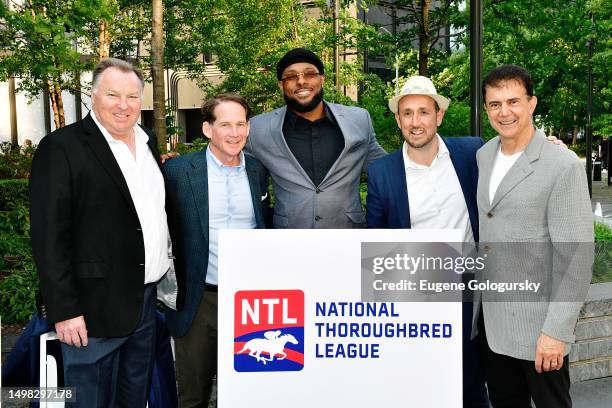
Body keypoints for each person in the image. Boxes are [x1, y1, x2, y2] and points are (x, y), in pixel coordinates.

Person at [29, 58, 184, 407]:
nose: (123, 105)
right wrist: (64, 310)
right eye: (113, 94)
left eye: (132, 97)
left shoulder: (148, 143)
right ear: (93, 95)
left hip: (145, 303)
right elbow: (48, 236)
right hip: (91, 310)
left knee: (134, 397)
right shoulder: (62, 148)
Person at [473, 64, 593, 407]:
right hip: (493, 329)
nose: (504, 111)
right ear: (486, 109)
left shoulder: (562, 164)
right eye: (495, 104)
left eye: (513, 101)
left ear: (532, 103)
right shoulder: (484, 155)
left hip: (540, 331)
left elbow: (577, 259)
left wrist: (557, 332)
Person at [366, 75, 489, 407]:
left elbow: (513, 159)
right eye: (407, 113)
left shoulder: (471, 152)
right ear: (398, 119)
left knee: (470, 383)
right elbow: (376, 238)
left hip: (468, 288)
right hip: (415, 294)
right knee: (419, 386)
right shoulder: (383, 172)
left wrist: (549, 146)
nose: (415, 121)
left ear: (440, 116)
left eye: (423, 112)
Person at [164, 94, 269, 407]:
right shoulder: (179, 172)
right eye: (225, 124)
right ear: (208, 129)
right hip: (199, 299)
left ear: (248, 128)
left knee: (246, 394)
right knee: (193, 395)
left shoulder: (258, 170)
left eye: (240, 124)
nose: (234, 132)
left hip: (250, 301)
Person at [247, 48, 386, 228]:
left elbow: (385, 169)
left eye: (310, 74)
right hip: (290, 242)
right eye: (291, 77)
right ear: (281, 85)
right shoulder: (258, 129)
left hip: (348, 238)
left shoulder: (358, 120)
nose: (301, 81)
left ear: (322, 79)